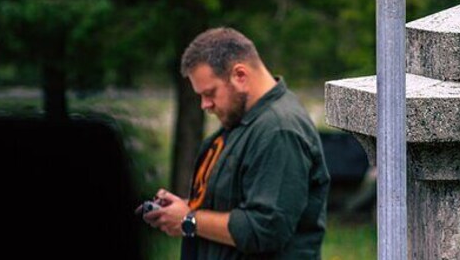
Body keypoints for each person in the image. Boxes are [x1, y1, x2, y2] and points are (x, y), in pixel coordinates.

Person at [139, 27, 330, 259]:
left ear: (240, 75)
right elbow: (235, 203)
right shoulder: (244, 121)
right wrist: (182, 209)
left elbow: (265, 228)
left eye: (210, 93)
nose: (205, 105)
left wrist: (190, 220)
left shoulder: (280, 130)